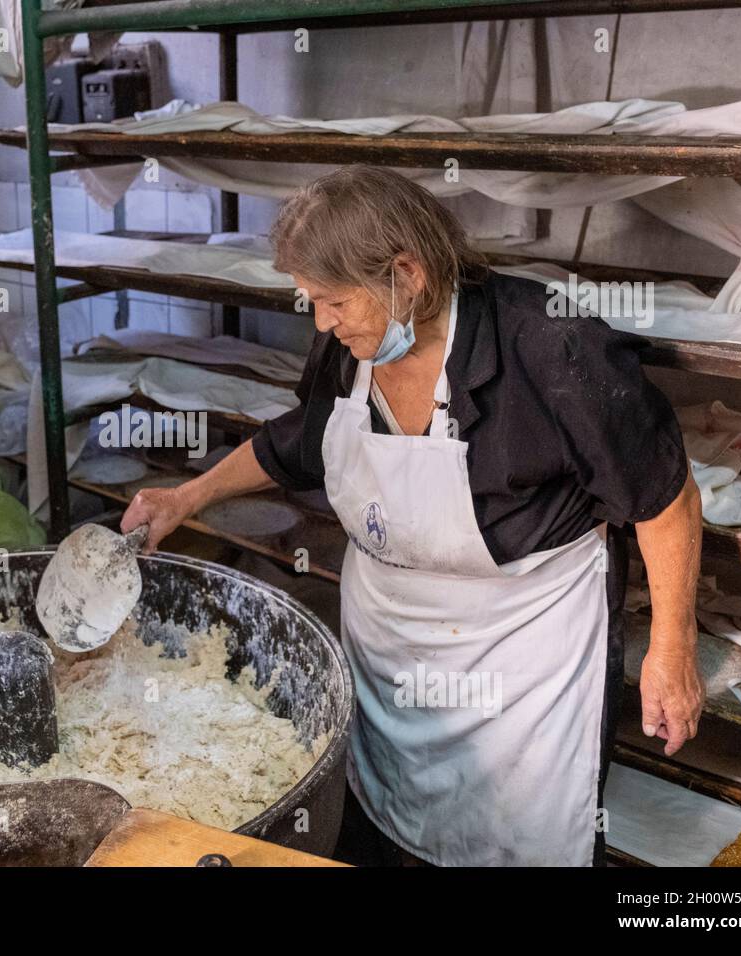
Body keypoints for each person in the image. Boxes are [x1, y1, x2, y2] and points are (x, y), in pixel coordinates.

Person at [121, 165, 705, 866]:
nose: (321, 321)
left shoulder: (553, 344)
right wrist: (184, 497)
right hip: (391, 649)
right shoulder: (351, 346)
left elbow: (664, 496)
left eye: (333, 300)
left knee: (519, 837)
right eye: (311, 300)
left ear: (408, 272)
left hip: (524, 661)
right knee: (384, 822)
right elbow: (298, 442)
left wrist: (672, 648)